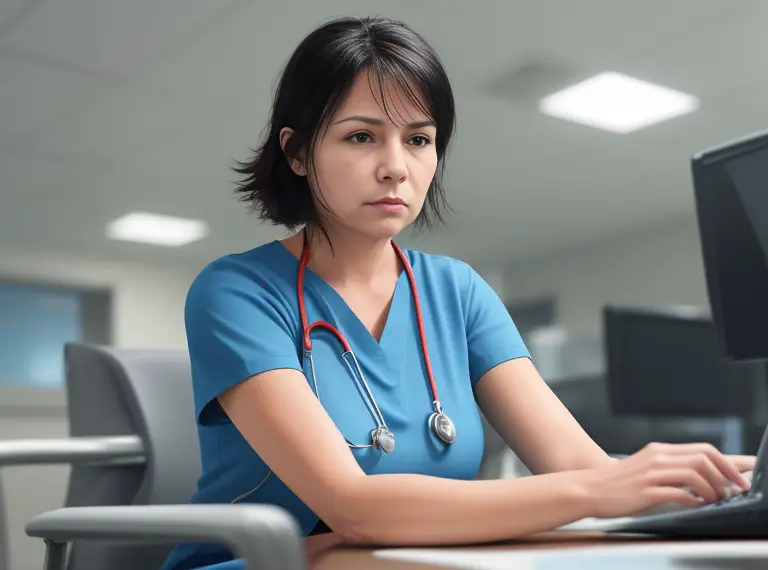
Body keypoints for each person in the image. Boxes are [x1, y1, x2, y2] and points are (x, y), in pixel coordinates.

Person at [160, 15, 756, 570]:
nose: (397, 166)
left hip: (407, 558)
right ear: (296, 152)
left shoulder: (458, 292)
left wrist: (733, 481)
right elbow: (353, 506)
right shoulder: (235, 292)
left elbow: (579, 468)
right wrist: (600, 487)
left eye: (419, 140)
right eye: (362, 137)